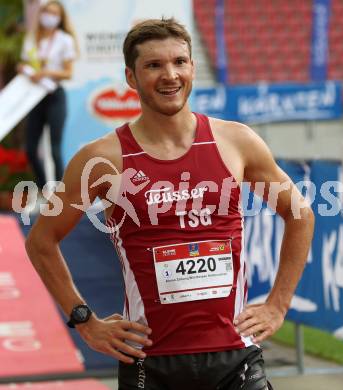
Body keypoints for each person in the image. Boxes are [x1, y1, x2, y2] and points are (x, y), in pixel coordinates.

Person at [25, 18, 315, 390]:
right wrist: (84, 320)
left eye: (179, 62)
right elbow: (41, 240)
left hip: (236, 357)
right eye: (154, 65)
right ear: (131, 77)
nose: (170, 75)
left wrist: (278, 304)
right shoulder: (102, 159)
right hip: (150, 364)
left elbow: (300, 213)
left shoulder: (236, 141)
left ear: (193, 68)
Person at [18, 0, 77, 192]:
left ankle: (60, 195)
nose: (49, 17)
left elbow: (68, 73)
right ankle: (45, 190)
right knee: (30, 149)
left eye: (54, 13)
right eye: (47, 12)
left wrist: (46, 73)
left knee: (54, 148)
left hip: (55, 95)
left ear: (60, 18)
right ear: (41, 14)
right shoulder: (32, 38)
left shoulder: (64, 39)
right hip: (34, 97)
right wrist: (23, 69)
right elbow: (27, 64)